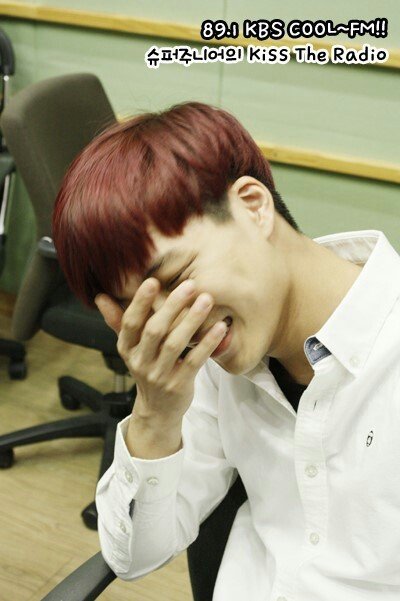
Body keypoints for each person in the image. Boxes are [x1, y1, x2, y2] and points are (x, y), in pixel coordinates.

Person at [52, 101, 400, 601]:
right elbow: (133, 557)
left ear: (254, 207)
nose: (175, 327)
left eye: (176, 278)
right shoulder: (213, 358)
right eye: (141, 309)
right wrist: (154, 413)